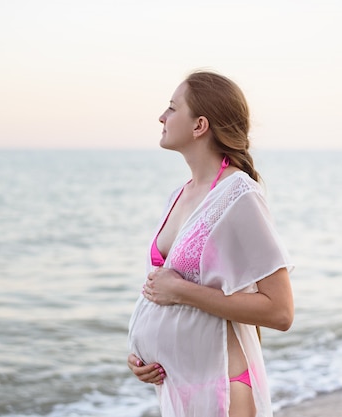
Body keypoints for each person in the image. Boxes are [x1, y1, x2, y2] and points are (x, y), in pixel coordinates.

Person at [127, 71, 294, 417]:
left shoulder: (239, 194)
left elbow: (280, 312)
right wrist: (143, 357)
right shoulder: (178, 195)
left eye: (172, 108)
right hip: (177, 390)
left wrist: (182, 292)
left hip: (222, 386)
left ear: (200, 125)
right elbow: (165, 295)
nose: (162, 117)